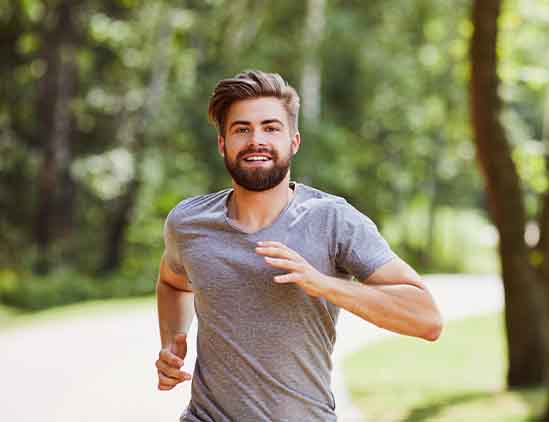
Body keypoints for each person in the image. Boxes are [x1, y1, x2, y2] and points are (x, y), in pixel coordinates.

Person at [155, 69, 443, 421]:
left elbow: (426, 318)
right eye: (241, 129)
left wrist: (322, 283)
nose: (255, 139)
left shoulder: (333, 220)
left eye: (270, 128)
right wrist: (172, 340)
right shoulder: (189, 222)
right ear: (223, 144)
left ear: (294, 142)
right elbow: (172, 281)